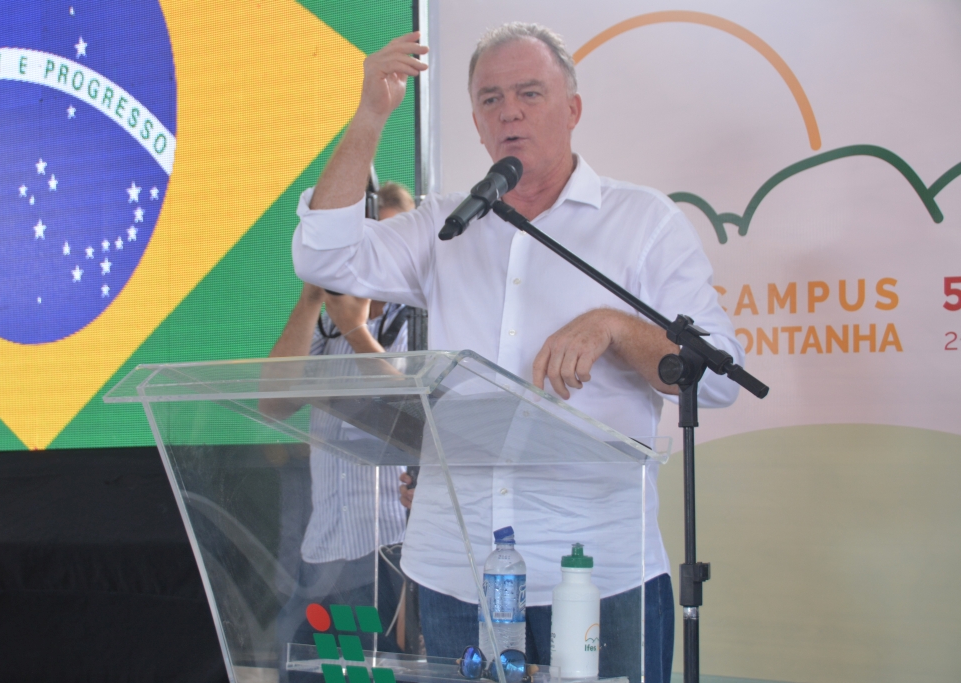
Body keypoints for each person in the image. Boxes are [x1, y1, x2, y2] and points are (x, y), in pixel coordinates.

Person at [291, 23, 744, 683]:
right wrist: (369, 116)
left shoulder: (643, 223)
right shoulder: (445, 225)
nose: (509, 112)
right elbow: (322, 254)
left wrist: (615, 327)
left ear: (572, 109)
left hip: (598, 574)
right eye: (490, 99)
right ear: (476, 123)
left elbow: (719, 377)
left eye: (529, 93)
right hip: (455, 571)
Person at [270, 183, 415, 660]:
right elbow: (273, 403)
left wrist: (356, 330)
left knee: (373, 670)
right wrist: (313, 295)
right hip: (321, 549)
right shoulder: (327, 322)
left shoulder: (420, 320)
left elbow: (413, 417)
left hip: (388, 550)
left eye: (388, 236)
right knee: (312, 672)